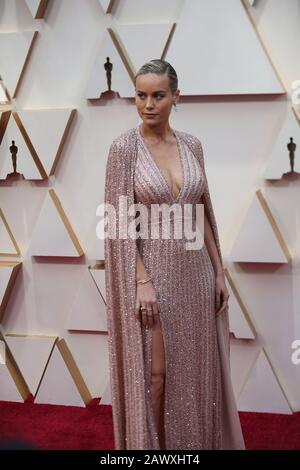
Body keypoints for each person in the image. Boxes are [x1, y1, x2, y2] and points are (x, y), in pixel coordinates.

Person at [104, 59, 245, 450]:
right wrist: (141, 281)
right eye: (141, 95)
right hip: (154, 276)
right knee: (156, 377)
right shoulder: (123, 150)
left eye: (158, 95)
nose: (148, 104)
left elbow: (201, 214)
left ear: (175, 97)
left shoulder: (192, 145)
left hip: (196, 273)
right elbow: (118, 225)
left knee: (196, 374)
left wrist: (219, 272)